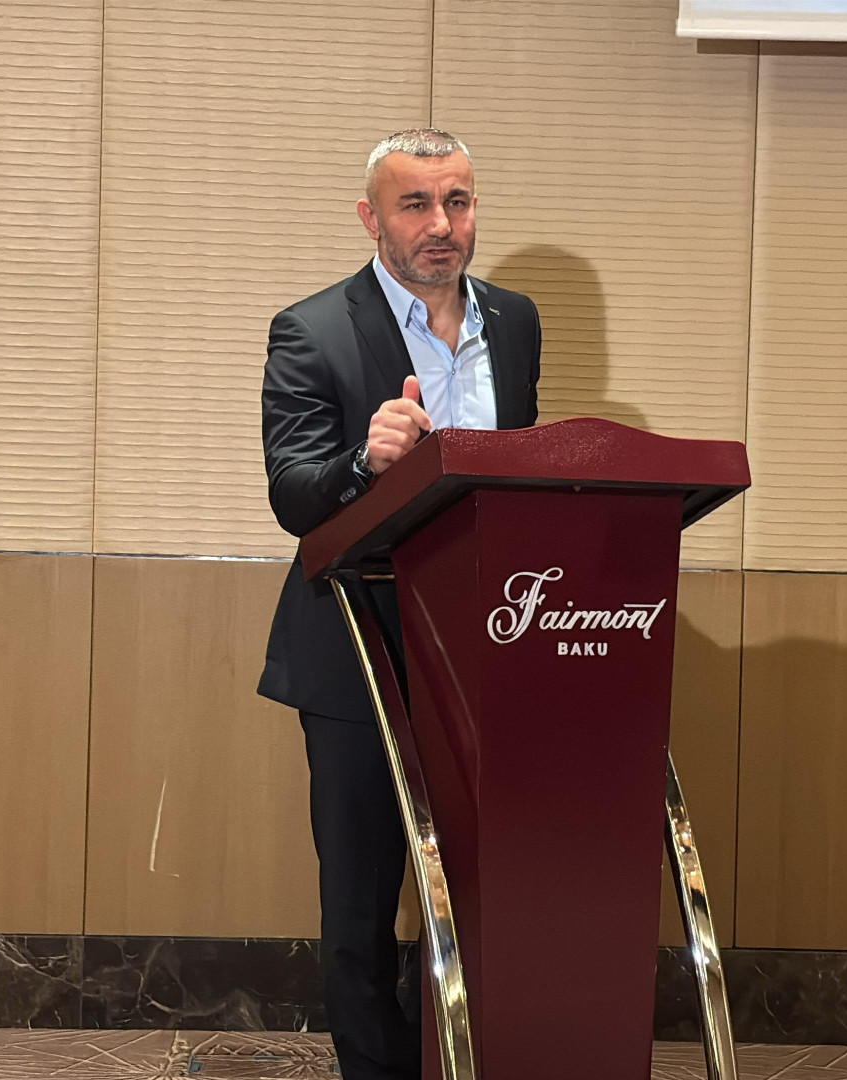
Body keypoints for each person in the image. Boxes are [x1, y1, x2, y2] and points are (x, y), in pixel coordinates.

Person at [257, 128, 541, 1079]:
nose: (440, 224)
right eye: (415, 204)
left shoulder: (516, 322)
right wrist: (361, 460)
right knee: (363, 901)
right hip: (358, 654)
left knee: (478, 890)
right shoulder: (313, 330)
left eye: (456, 201)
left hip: (485, 651)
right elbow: (293, 493)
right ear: (370, 217)